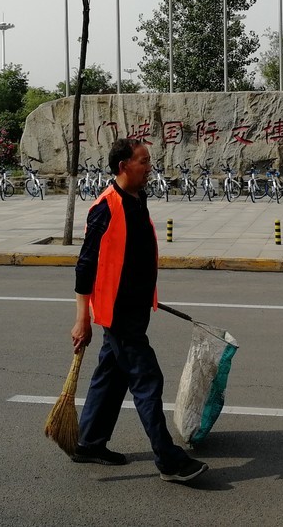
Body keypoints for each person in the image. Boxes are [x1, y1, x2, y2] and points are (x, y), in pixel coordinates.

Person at [70, 138, 208, 484]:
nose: (150, 168)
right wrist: (81, 317)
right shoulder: (105, 208)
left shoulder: (137, 198)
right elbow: (85, 267)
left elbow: (131, 255)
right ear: (123, 167)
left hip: (135, 306)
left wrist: (145, 289)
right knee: (147, 379)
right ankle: (169, 460)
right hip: (118, 313)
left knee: (111, 374)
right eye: (143, 162)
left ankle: (89, 442)